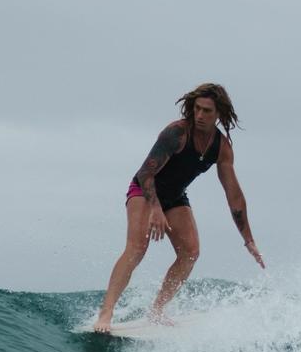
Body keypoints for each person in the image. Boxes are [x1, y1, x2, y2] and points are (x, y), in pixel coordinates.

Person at [92, 83, 264, 333]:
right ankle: (106, 313)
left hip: (174, 197)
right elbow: (144, 173)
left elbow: (234, 196)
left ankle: (157, 310)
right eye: (197, 109)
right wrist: (156, 209)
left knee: (191, 252)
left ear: (219, 114)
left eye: (207, 111)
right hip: (144, 190)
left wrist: (248, 240)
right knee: (138, 247)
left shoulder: (222, 148)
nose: (201, 115)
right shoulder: (177, 133)